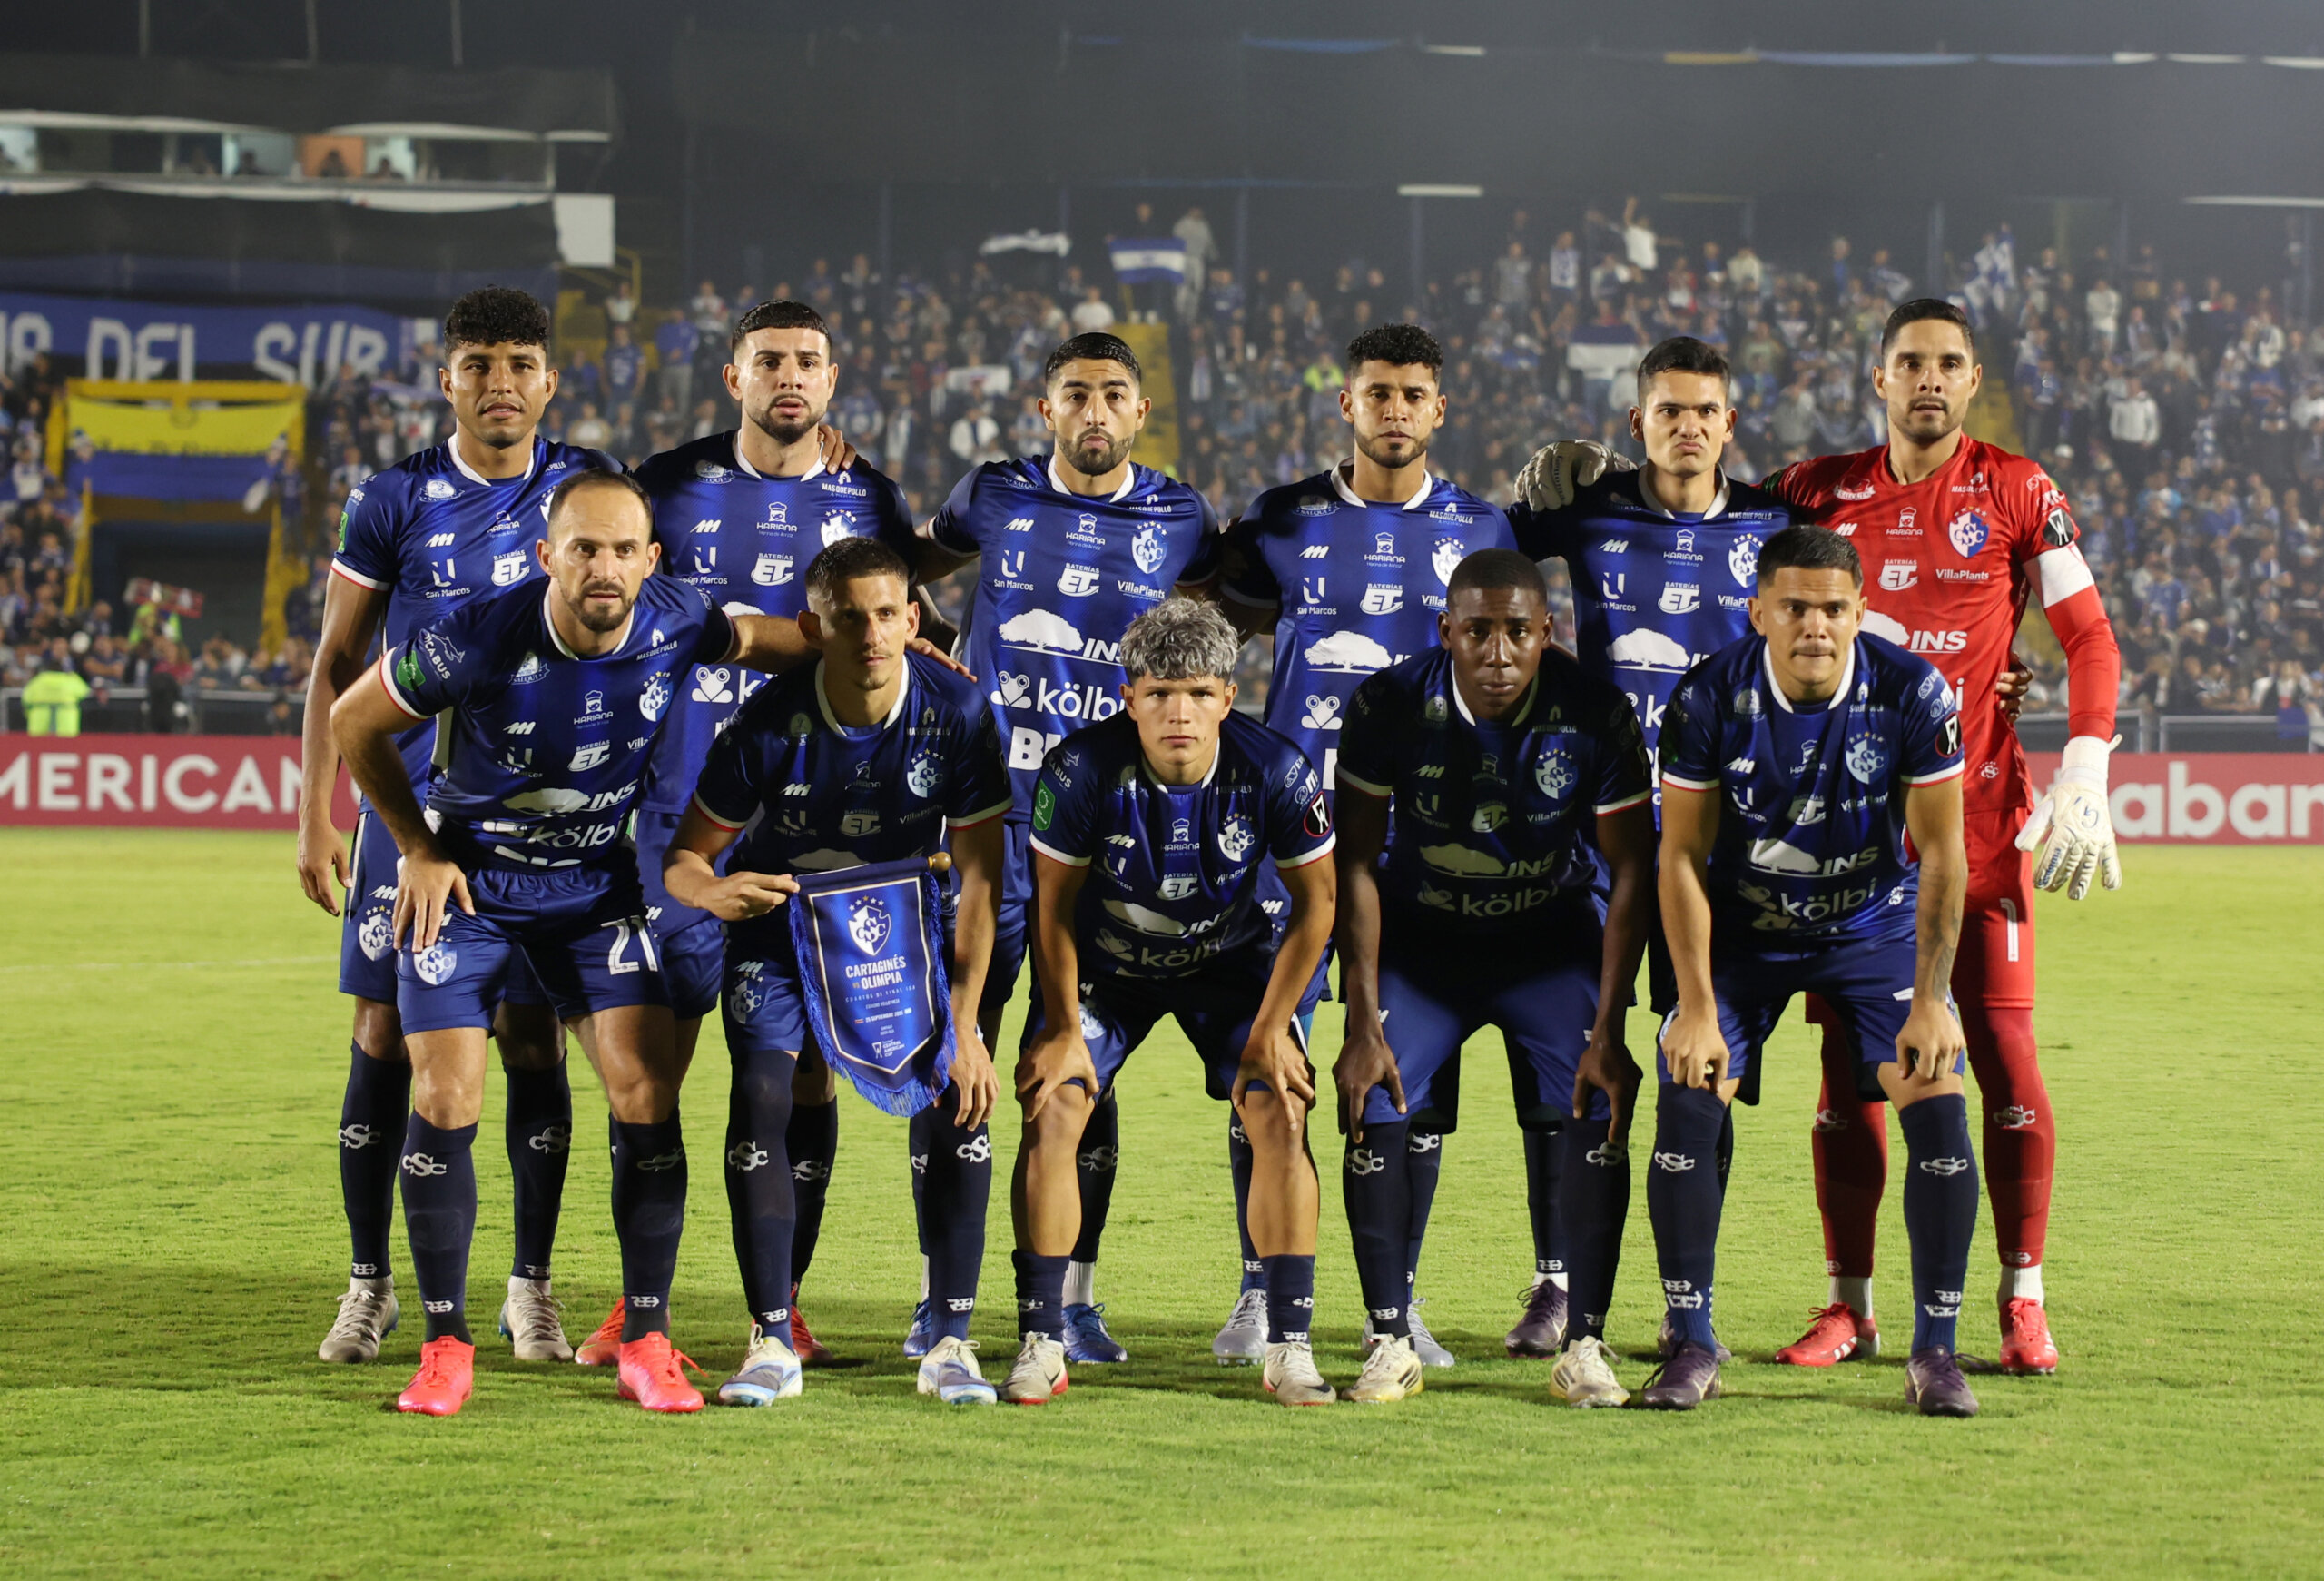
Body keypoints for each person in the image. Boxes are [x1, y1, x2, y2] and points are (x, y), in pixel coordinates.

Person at [329, 469, 812, 1416]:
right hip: (470, 890)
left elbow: (769, 638)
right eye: (583, 548)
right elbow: (354, 720)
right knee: (445, 1090)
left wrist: (886, 641)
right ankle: (443, 1346)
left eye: (622, 549)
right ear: (548, 555)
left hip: (592, 893)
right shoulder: (475, 636)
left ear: (650, 560)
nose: (604, 566)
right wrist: (419, 848)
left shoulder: (675, 616)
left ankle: (646, 1338)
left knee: (646, 1092)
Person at [1762, 300, 2122, 1375]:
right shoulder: (1813, 491)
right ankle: (1850, 1307)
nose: (1928, 377)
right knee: (1846, 1074)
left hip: (1981, 827)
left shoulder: (2018, 490)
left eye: (1948, 363)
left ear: (1972, 381)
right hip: (1854, 842)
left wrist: (2089, 765)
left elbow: (2089, 634)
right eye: (1908, 361)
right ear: (1878, 379)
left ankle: (2022, 1296)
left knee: (2005, 1056)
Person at [295, 287, 619, 1369]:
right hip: (408, 817)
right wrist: (315, 815)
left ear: (549, 380)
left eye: (520, 363)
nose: (500, 385)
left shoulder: (583, 490)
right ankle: (369, 1283)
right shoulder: (392, 500)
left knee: (531, 1039)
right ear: (447, 379)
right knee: (384, 1035)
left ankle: (531, 1288)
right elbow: (338, 669)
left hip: (532, 819)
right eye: (478, 365)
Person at [909, 331, 1221, 1365]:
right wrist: (925, 630)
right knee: (957, 1060)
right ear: (1044, 409)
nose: (1095, 411)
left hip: (1097, 842)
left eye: (1115, 395)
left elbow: (1220, 630)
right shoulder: (991, 495)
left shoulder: (1179, 518)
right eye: (1076, 394)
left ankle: (1074, 1301)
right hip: (982, 832)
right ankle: (938, 1301)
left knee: (1087, 1067)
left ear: (1140, 412)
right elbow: (915, 563)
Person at [626, 298, 918, 1368]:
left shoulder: (869, 496)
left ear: (832, 382)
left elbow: (885, 640)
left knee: (803, 1074)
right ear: (732, 377)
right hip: (681, 817)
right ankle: (639, 1301)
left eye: (807, 362)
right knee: (653, 1074)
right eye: (768, 362)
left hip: (810, 836)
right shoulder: (668, 483)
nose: (787, 378)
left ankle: (779, 1300)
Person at [1216, 321, 1514, 1367]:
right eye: (1376, 392)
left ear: (1440, 409)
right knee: (1270, 1056)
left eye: (1413, 394)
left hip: (1425, 843)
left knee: (1413, 1074)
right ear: (1343, 405)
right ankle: (1260, 1288)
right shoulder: (1278, 521)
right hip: (1295, 839)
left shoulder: (1485, 530)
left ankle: (1402, 1298)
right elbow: (1213, 618)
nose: (1394, 409)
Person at [661, 538, 1011, 1407]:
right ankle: (771, 1338)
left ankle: (951, 1338)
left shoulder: (958, 711)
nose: (871, 632)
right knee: (765, 1097)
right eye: (847, 616)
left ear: (914, 617)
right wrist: (716, 888)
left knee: (954, 1092)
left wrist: (965, 1026)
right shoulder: (769, 722)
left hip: (904, 930)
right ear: (814, 627)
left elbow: (979, 880)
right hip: (781, 928)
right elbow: (683, 862)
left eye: (888, 612)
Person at [1645, 523, 1982, 1418]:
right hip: (1745, 932)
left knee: (1936, 1090)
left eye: (1833, 608)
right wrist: (1695, 1003)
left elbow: (1945, 850)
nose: (1815, 625)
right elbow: (1678, 856)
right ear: (1758, 611)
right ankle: (1690, 1339)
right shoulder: (1709, 695)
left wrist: (1935, 998)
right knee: (1687, 1085)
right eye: (1793, 606)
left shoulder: (1911, 689)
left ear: (1860, 611)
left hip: (1870, 926)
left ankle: (1935, 1351)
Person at [1502, 336, 1794, 1360]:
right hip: (1584, 837)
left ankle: (1683, 1297)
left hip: (1715, 849)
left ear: (1728, 420)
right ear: (1638, 423)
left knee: (1697, 1068)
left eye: (1703, 410)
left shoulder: (1777, 523)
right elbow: (1476, 553)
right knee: (1566, 1067)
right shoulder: (1585, 510)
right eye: (1666, 410)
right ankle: (1554, 1284)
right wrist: (1540, 464)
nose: (1686, 426)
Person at [1331, 550, 1655, 1406]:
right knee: (1374, 1093)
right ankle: (1388, 1336)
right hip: (1424, 943)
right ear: (1447, 632)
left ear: (1548, 631)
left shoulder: (1596, 711)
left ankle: (1584, 1342)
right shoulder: (1387, 703)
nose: (1500, 650)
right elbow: (1354, 864)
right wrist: (1362, 1024)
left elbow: (1631, 871)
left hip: (1546, 944)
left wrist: (1612, 1026)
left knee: (1596, 1096)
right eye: (1478, 630)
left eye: (1519, 630)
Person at [1003, 598, 1338, 1407]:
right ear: (1129, 697)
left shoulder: (1275, 768)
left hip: (1228, 963)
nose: (1177, 712)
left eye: (1195, 692)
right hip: (1108, 968)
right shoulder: (1081, 769)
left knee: (1281, 1108)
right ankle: (1042, 1340)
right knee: (1053, 1105)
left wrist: (1270, 1031)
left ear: (1229, 694)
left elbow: (1317, 905)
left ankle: (1289, 1345)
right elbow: (1050, 908)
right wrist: (1057, 1027)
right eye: (1158, 693)